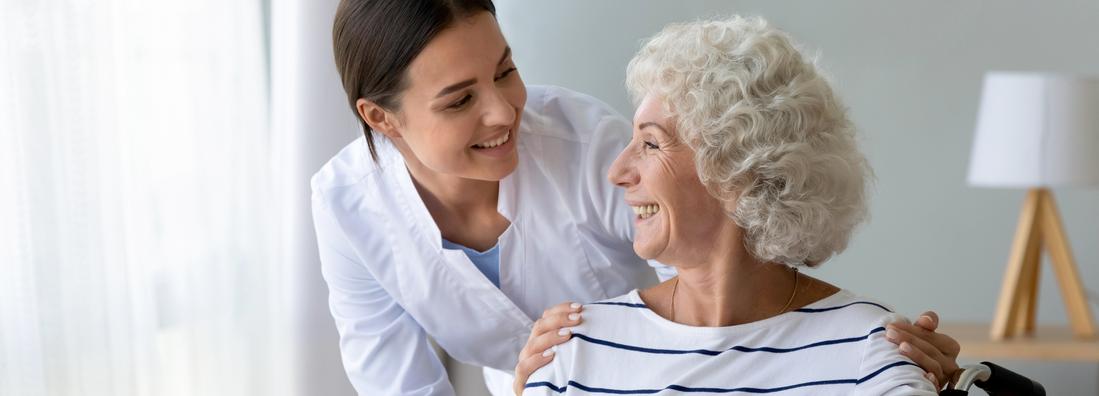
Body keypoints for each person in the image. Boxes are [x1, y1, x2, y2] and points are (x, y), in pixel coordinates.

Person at [313, 1, 959, 395]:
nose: (504, 110)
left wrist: (862, 345)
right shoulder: (345, 205)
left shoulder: (582, 141)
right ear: (383, 119)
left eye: (506, 70)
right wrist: (543, 381)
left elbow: (717, 281)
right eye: (459, 99)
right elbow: (395, 382)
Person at [523, 16, 947, 395]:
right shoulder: (575, 350)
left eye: (650, 144)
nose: (617, 171)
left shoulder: (870, 355)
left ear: (738, 169)